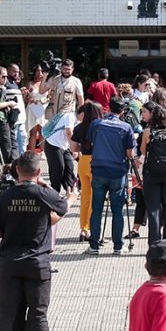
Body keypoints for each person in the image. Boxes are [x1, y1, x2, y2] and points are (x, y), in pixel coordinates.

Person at [0, 153, 77, 331]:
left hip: (10, 264)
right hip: (37, 264)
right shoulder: (44, 194)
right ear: (38, 171)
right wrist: (70, 197)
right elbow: (61, 208)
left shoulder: (4, 197)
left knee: (7, 315)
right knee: (38, 314)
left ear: (17, 171)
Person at [87, 96, 135, 255]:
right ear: (122, 111)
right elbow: (129, 153)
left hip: (99, 169)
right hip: (117, 171)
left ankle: (93, 245)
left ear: (109, 107)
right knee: (117, 211)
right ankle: (118, 246)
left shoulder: (96, 124)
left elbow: (92, 143)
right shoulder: (126, 127)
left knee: (97, 209)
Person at [139, 101, 166, 245]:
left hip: (151, 173)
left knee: (153, 209)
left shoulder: (148, 132)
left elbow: (143, 151)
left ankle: (154, 243)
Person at [70, 102, 103, 242]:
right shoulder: (101, 127)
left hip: (83, 162)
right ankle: (93, 229)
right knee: (96, 198)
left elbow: (73, 148)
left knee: (85, 197)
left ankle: (84, 229)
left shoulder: (79, 128)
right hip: (98, 161)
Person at [42, 103, 77, 194]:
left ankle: (70, 190)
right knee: (58, 168)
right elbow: (69, 132)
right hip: (52, 144)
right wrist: (74, 149)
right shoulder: (69, 116)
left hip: (64, 146)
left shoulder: (77, 119)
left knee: (69, 166)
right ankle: (54, 192)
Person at [26, 64, 50, 153]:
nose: (39, 73)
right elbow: (26, 98)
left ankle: (43, 152)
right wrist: (30, 99)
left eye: (41, 71)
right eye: (38, 70)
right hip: (33, 107)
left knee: (43, 131)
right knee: (33, 131)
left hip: (43, 107)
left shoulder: (47, 84)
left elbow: (50, 97)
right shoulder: (30, 83)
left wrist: (44, 101)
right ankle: (32, 152)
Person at [8, 63, 28, 157]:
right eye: (14, 71)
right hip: (14, 121)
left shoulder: (15, 85)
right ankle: (16, 165)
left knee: (23, 142)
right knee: (15, 143)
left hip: (21, 120)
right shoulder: (6, 84)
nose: (16, 74)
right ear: (8, 71)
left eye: (17, 72)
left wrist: (22, 94)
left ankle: (23, 164)